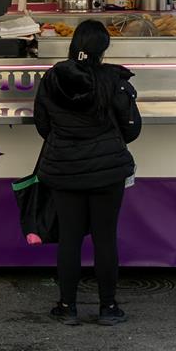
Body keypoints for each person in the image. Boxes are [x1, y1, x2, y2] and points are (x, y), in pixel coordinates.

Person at [32, 19, 141, 327]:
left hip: (65, 170)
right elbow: (131, 128)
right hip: (108, 173)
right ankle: (108, 307)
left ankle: (67, 306)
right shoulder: (114, 80)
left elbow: (43, 125)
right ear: (102, 50)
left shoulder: (53, 78)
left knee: (69, 239)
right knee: (106, 239)